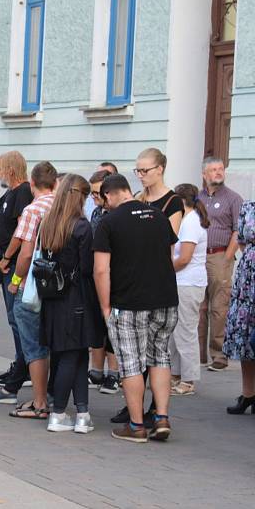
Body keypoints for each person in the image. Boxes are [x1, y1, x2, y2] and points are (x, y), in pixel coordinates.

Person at [93, 174, 178, 443]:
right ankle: (162, 418)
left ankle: (136, 424)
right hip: (165, 299)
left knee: (131, 363)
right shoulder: (159, 216)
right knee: (160, 357)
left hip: (128, 302)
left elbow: (101, 269)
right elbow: (168, 255)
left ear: (108, 196)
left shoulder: (109, 222)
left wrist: (105, 306)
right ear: (129, 190)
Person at [38, 174, 103, 433]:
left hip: (53, 298)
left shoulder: (49, 223)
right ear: (79, 196)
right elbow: (87, 267)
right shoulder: (81, 227)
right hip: (77, 298)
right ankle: (59, 412)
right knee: (71, 357)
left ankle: (83, 413)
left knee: (72, 356)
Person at [0, 162, 57, 412]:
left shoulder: (33, 209)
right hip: (59, 285)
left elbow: (26, 251)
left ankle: (39, 401)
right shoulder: (65, 207)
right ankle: (54, 396)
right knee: (53, 340)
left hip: (34, 283)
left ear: (32, 184)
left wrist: (15, 281)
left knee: (32, 341)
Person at [0, 151, 34, 401]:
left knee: (18, 318)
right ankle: (19, 363)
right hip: (6, 264)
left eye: (0, 168)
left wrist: (6, 256)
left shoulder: (23, 192)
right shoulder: (13, 192)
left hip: (12, 265)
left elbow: (20, 230)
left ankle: (24, 367)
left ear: (11, 170)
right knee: (13, 318)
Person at [198, 157, 243, 372]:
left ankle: (218, 354)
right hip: (197, 257)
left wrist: (227, 256)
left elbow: (238, 229)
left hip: (219, 256)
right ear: (204, 174)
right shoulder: (197, 198)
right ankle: (197, 355)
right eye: (213, 170)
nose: (218, 172)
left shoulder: (233, 198)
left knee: (219, 306)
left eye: (220, 169)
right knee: (199, 306)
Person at [169, 184, 209, 396]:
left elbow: (184, 258)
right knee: (175, 332)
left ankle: (188, 379)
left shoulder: (191, 222)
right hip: (182, 282)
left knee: (186, 331)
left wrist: (163, 270)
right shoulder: (187, 220)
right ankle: (176, 373)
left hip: (188, 282)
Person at [87, 170, 120, 394]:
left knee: (113, 327)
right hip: (95, 274)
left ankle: (114, 374)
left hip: (114, 275)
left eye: (97, 193)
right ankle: (96, 371)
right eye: (91, 193)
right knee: (97, 325)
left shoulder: (116, 216)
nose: (94, 197)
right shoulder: (97, 213)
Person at [223, 199, 255, 414]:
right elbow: (241, 241)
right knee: (245, 337)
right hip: (248, 279)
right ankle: (249, 394)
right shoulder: (249, 207)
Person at [135, 148, 184, 236]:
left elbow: (170, 239)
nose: (139, 176)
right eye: (138, 171)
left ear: (159, 169)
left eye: (144, 171)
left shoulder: (173, 201)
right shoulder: (138, 198)